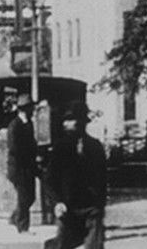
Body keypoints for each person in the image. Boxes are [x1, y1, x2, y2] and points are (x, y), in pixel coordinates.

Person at [46, 101, 107, 249]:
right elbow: (50, 179)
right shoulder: (60, 148)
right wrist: (57, 202)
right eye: (67, 120)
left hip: (91, 207)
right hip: (68, 207)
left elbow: (102, 178)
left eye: (72, 120)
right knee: (62, 244)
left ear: (83, 122)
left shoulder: (95, 146)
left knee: (94, 245)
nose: (67, 124)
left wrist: (99, 204)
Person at [7, 94, 38, 233]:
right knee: (24, 197)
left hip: (27, 166)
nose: (33, 110)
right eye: (31, 108)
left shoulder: (28, 123)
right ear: (24, 109)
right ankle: (23, 227)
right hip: (18, 167)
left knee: (30, 197)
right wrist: (28, 153)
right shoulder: (15, 125)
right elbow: (13, 147)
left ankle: (15, 217)